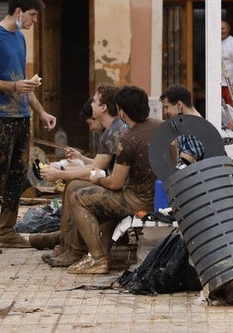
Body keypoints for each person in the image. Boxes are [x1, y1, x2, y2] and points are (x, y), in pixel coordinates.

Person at [0, 0, 57, 254]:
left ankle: (7, 231)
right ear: (18, 12)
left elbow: (23, 81)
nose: (34, 21)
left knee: (18, 176)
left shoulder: (19, 38)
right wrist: (13, 86)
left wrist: (41, 111)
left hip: (21, 116)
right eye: (32, 15)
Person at [63, 85, 163, 274]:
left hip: (140, 199)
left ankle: (98, 259)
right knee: (105, 200)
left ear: (122, 113)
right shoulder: (160, 126)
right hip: (163, 197)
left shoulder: (128, 140)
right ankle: (104, 251)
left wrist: (98, 179)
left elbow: (115, 183)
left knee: (78, 197)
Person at [32, 84, 128, 265]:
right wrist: (64, 171)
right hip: (119, 183)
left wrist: (59, 173)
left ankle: (74, 250)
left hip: (121, 188)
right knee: (73, 184)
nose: (91, 103)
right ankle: (68, 245)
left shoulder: (113, 131)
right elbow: (98, 166)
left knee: (75, 187)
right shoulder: (113, 128)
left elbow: (95, 170)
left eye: (95, 100)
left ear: (103, 107)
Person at [160, 84, 206, 164]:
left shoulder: (192, 126)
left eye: (167, 107)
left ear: (179, 104)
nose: (165, 112)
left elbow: (187, 161)